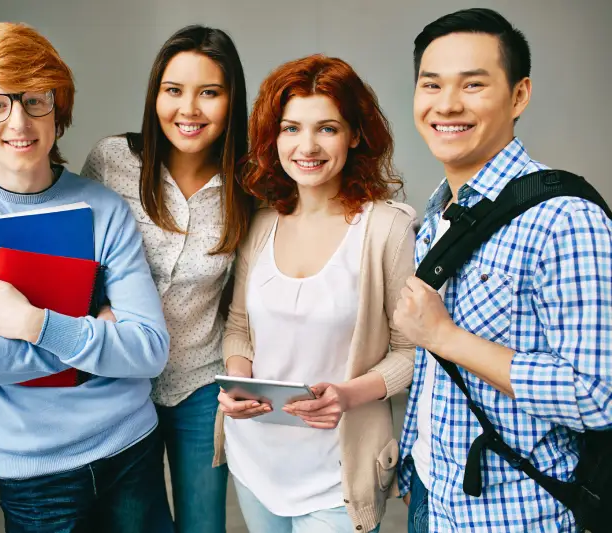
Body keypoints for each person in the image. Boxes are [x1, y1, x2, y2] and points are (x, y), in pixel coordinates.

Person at [0, 22, 173, 533]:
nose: (19, 120)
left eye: (36, 99)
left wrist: (32, 322)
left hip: (132, 450)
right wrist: (96, 342)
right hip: (37, 477)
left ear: (58, 108)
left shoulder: (102, 206)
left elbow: (148, 349)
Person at [395, 8, 612, 532]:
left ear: (519, 95)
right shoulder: (439, 210)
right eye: (432, 85)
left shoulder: (566, 219)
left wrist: (445, 336)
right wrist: (413, 469)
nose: (446, 104)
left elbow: (597, 394)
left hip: (516, 514)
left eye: (473, 85)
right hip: (433, 496)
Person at [216, 54, 417, 533]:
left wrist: (348, 394)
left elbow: (413, 351)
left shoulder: (388, 228)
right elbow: (240, 325)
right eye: (290, 129)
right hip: (256, 461)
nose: (307, 146)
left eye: (326, 128)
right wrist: (238, 380)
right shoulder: (262, 225)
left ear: (354, 134)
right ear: (274, 138)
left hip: (336, 474)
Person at [81, 25, 250, 533]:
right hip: (120, 379)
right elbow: (77, 260)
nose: (189, 109)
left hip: (200, 380)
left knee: (203, 524)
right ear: (155, 94)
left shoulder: (251, 184)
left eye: (210, 93)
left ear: (231, 100)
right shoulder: (113, 160)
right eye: (173, 90)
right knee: (132, 524)